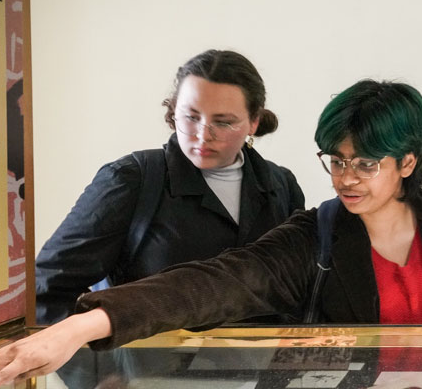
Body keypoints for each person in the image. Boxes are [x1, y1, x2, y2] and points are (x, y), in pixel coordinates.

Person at [0, 79, 422, 389]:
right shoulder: (317, 236)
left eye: (364, 164)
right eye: (335, 161)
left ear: (407, 162)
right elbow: (214, 283)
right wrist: (82, 326)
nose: (343, 179)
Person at [35, 49, 305, 324]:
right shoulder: (130, 179)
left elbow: (298, 292)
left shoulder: (281, 185)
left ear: (254, 122)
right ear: (174, 111)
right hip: (149, 366)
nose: (203, 135)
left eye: (223, 122)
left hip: (261, 365)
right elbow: (47, 288)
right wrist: (94, 363)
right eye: (191, 116)